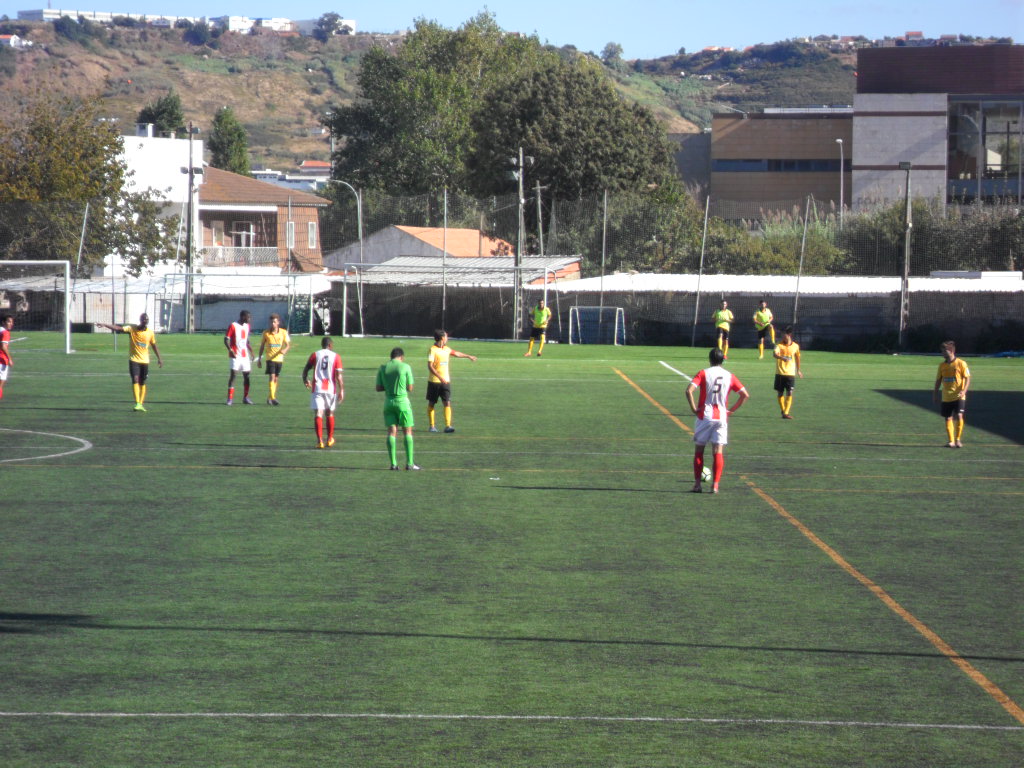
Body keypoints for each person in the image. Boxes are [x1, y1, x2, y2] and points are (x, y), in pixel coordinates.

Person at [685, 347, 749, 494]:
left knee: (699, 450)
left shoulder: (703, 373)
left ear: (710, 360)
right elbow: (745, 395)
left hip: (705, 416)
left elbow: (689, 390)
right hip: (721, 417)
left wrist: (694, 408)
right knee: (718, 451)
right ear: (722, 361)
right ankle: (715, 485)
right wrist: (731, 410)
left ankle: (697, 485)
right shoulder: (729, 376)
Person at [97, 313, 163, 412]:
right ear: (140, 320)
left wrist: (159, 358)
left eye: (146, 321)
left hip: (145, 361)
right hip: (134, 360)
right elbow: (118, 328)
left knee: (142, 382)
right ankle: (137, 403)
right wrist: (105, 324)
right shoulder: (132, 329)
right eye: (143, 321)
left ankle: (141, 403)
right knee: (135, 379)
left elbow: (154, 345)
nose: (145, 323)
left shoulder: (150, 333)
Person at [376, 347, 419, 470]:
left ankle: (393, 464)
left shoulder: (383, 368)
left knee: (391, 432)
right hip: (402, 403)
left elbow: (378, 387)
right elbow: (410, 387)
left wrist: (389, 387)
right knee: (407, 431)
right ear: (401, 357)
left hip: (388, 403)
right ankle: (409, 463)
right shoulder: (405, 366)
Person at [426, 330, 477, 433]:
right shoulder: (432, 350)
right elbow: (430, 366)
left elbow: (456, 353)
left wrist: (468, 356)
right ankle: (432, 426)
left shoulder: (446, 349)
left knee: (447, 402)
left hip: (446, 382)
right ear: (442, 338)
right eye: (446, 336)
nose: (447, 338)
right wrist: (439, 377)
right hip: (434, 382)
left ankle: (448, 426)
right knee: (432, 403)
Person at [302, 336, 344, 449]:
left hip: (317, 388)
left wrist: (305, 380)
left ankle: (320, 441)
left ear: (322, 345)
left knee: (318, 413)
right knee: (329, 413)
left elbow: (305, 369)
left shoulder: (315, 354)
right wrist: (342, 390)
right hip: (330, 388)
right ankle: (330, 439)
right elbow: (339, 376)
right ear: (330, 345)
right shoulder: (336, 356)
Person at [933, 340, 971, 448]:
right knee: (948, 418)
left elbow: (967, 378)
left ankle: (958, 439)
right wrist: (935, 394)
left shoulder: (961, 363)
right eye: (942, 351)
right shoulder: (942, 365)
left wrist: (964, 391)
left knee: (959, 415)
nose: (942, 353)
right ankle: (951, 441)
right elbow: (938, 380)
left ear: (951, 351)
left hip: (959, 396)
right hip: (946, 397)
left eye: (944, 351)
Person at [256, 313, 291, 405]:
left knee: (276, 378)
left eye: (274, 322)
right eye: (271, 322)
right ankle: (273, 398)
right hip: (270, 359)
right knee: (272, 376)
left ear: (278, 322)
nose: (273, 324)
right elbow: (262, 346)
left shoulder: (283, 332)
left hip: (279, 359)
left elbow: (288, 345)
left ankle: (269, 398)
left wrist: (285, 350)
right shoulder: (266, 333)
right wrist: (259, 359)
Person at [224, 310, 255, 405]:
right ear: (242, 317)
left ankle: (246, 397)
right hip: (235, 356)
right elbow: (226, 340)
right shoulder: (233, 325)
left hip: (245, 356)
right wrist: (230, 350)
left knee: (247, 376)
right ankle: (230, 399)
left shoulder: (247, 326)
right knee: (233, 376)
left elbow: (246, 341)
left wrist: (251, 351)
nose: (249, 319)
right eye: (248, 317)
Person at [773, 325, 803, 419]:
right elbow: (774, 354)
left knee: (790, 392)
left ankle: (786, 413)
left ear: (789, 335)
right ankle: (783, 410)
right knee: (780, 393)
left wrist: (798, 370)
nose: (783, 337)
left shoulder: (795, 346)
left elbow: (798, 358)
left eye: (784, 335)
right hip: (780, 373)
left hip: (790, 373)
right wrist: (781, 357)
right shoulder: (779, 345)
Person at [0, 314, 13, 401]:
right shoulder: (5, 333)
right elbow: (3, 346)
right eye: (9, 322)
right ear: (4, 322)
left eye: (12, 322)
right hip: (2, 360)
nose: (11, 324)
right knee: (1, 383)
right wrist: (10, 359)